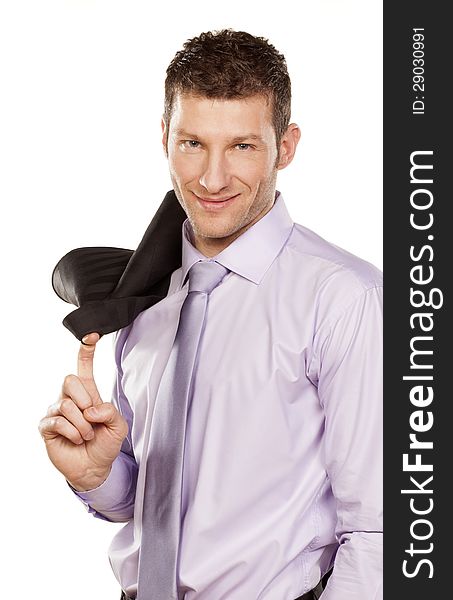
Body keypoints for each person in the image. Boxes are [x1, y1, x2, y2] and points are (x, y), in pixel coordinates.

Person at [39, 29, 383, 599]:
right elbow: (155, 503)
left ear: (287, 146)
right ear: (164, 139)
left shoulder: (345, 299)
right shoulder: (147, 298)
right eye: (192, 143)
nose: (212, 178)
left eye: (243, 146)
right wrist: (97, 475)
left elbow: (379, 529)